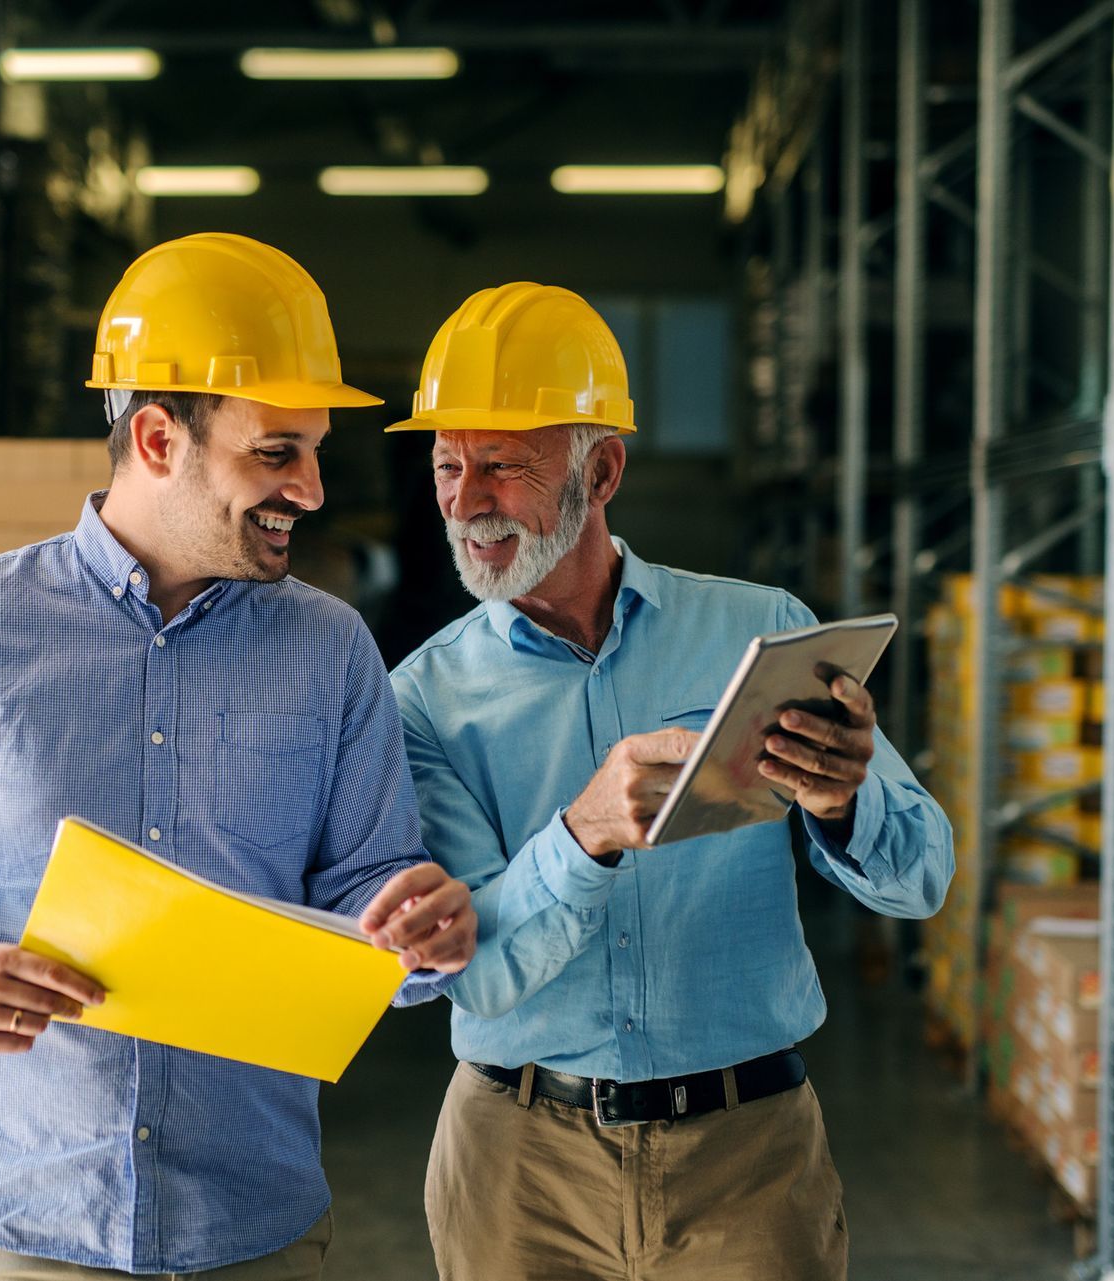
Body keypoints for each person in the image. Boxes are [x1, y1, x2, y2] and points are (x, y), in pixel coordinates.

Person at [0, 233, 477, 1281]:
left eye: (316, 450)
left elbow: (362, 885)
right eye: (276, 452)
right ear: (158, 438)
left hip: (254, 1225)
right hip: (24, 1222)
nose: (313, 490)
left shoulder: (331, 649)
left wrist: (412, 924)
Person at [387, 282, 954, 1281]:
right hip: (519, 1167)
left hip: (749, 1156)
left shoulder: (758, 629)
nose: (468, 501)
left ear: (601, 470)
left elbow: (923, 879)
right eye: (448, 465)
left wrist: (844, 800)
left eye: (503, 468)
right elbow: (471, 968)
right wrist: (585, 834)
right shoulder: (422, 700)